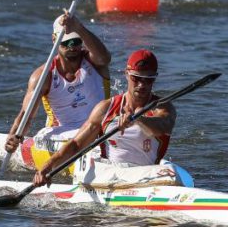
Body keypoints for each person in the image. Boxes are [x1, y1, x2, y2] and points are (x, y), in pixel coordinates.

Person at [33, 49, 177, 188]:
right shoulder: (105, 108)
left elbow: (163, 126)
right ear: (126, 74)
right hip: (109, 174)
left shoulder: (163, 108)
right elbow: (76, 144)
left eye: (148, 80)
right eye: (136, 78)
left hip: (145, 173)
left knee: (172, 173)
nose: (142, 85)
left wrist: (138, 119)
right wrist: (47, 168)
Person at [5, 12, 112, 156]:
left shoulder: (95, 61)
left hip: (100, 128)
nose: (72, 47)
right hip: (62, 133)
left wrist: (79, 27)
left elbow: (105, 57)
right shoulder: (43, 76)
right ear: (54, 39)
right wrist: (14, 136)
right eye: (66, 42)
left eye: (76, 42)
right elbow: (26, 115)